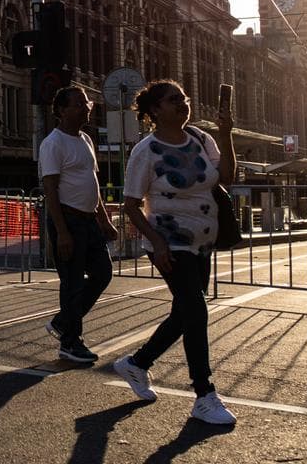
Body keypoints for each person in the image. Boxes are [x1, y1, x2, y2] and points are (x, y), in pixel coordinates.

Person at [113, 79, 238, 425]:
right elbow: (132, 205)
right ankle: (204, 394)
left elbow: (226, 177)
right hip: (170, 244)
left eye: (184, 98)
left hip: (202, 243)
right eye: (174, 101)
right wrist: (157, 242)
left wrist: (226, 133)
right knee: (196, 311)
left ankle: (137, 364)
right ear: (155, 110)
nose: (183, 104)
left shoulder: (201, 138)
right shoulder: (146, 150)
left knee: (184, 314)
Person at [39, 85, 117, 363]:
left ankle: (63, 322)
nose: (86, 108)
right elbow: (50, 189)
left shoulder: (85, 139)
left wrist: (104, 219)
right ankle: (70, 343)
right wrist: (61, 233)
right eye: (79, 104)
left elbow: (92, 183)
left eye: (87, 104)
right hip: (68, 220)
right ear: (61, 110)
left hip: (89, 220)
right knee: (71, 282)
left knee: (103, 273)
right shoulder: (53, 143)